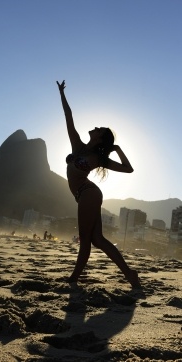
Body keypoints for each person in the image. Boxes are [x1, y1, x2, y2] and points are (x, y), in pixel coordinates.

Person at [57, 80, 141, 288]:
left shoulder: (99, 158)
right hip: (85, 194)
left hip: (88, 193)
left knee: (86, 238)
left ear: (100, 138)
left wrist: (118, 148)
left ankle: (73, 278)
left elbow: (128, 169)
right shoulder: (77, 146)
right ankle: (130, 274)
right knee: (97, 239)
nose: (94, 128)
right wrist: (62, 93)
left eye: (99, 129)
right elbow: (69, 117)